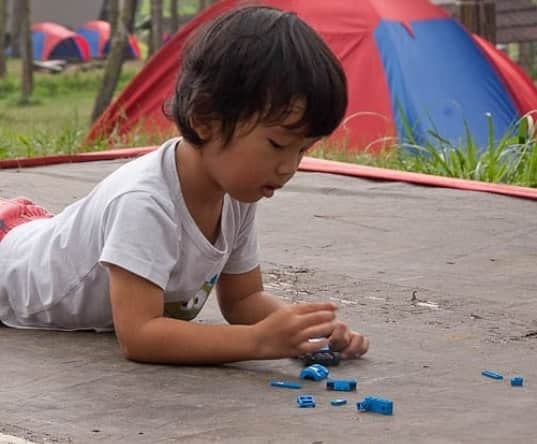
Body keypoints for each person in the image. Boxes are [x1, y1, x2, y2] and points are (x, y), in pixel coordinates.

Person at [0, 6, 369, 365]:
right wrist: (259, 341)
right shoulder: (145, 203)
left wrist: (304, 331)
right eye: (276, 145)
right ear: (205, 118)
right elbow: (141, 335)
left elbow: (244, 300)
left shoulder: (237, 194)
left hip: (40, 237)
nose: (289, 167)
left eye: (303, 150)